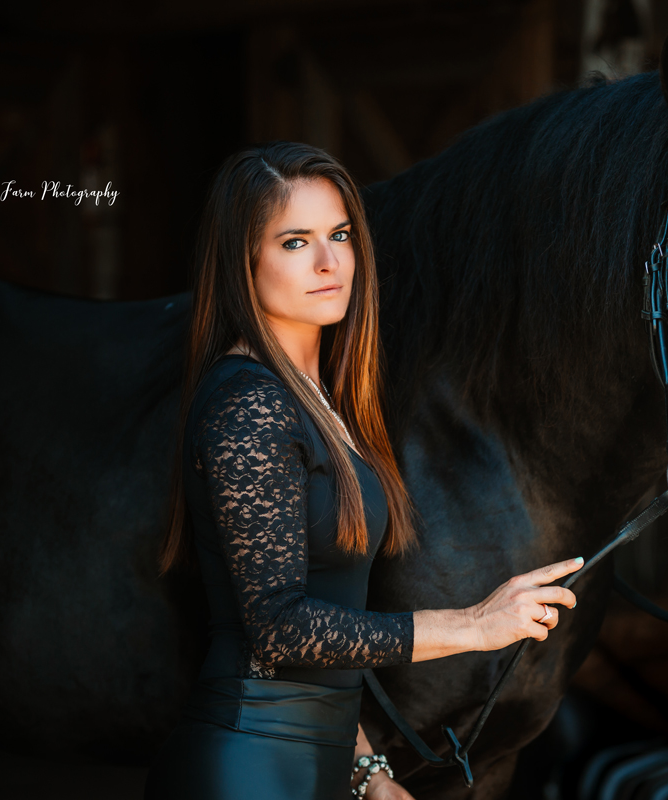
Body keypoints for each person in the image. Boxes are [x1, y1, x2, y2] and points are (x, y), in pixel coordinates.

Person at [144, 141, 582, 800]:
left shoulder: (319, 402)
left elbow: (328, 615)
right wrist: (474, 625)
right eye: (295, 242)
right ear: (244, 263)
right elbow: (281, 627)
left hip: (313, 769)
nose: (329, 262)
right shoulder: (250, 402)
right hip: (246, 769)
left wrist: (368, 769)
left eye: (340, 234)